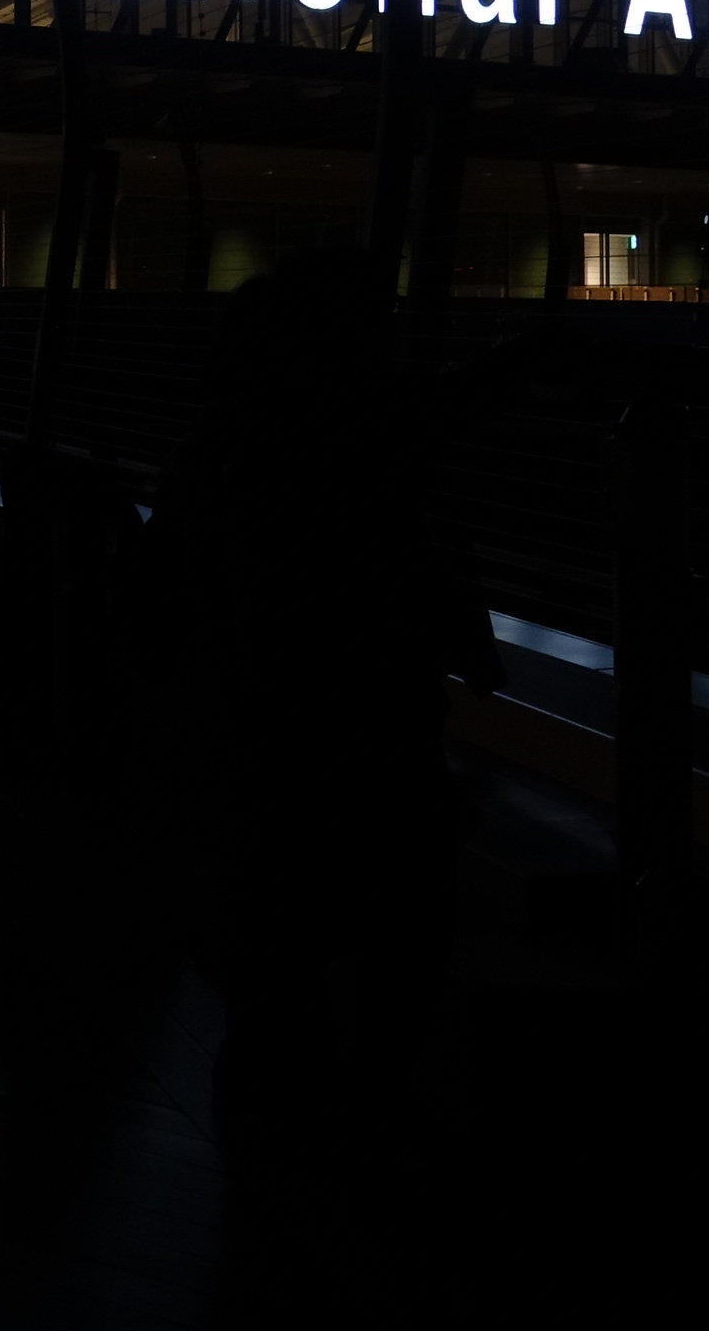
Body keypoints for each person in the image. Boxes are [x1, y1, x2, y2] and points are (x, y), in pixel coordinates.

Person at [156, 249, 504, 1155]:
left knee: (281, 935)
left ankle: (285, 1124)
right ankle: (358, 1112)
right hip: (347, 730)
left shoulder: (225, 446)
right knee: (404, 913)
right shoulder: (325, 441)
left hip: (262, 732)